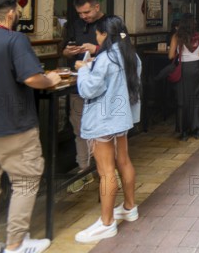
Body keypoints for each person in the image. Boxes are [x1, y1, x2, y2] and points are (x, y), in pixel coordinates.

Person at [0, 0, 62, 253]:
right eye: (17, 12)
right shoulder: (14, 39)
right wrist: (50, 80)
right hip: (14, 125)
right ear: (10, 14)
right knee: (25, 181)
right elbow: (31, 78)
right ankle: (16, 243)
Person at [73, 16, 141, 243]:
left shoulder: (106, 58)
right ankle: (129, 207)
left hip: (104, 120)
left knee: (106, 171)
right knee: (124, 160)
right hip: (121, 118)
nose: (96, 38)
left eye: (98, 35)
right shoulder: (131, 55)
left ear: (104, 35)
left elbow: (89, 90)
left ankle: (106, 223)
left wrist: (83, 69)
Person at [62, 0, 107, 193]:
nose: (84, 16)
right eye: (80, 13)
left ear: (97, 7)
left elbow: (122, 50)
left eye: (87, 12)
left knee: (103, 131)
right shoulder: (74, 24)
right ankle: (84, 170)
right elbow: (63, 48)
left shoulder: (112, 23)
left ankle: (106, 171)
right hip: (78, 85)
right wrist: (67, 52)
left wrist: (96, 48)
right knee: (79, 128)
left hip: (103, 87)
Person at [168, 14, 199, 141]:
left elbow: (170, 56)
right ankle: (196, 129)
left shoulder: (176, 36)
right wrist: (198, 53)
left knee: (182, 100)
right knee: (196, 99)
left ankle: (184, 131)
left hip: (183, 69)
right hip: (196, 69)